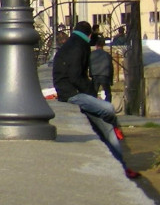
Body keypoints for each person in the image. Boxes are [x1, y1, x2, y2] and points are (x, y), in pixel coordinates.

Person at [52, 20, 136, 178]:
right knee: (108, 109)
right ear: (89, 35)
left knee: (106, 128)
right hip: (72, 95)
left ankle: (121, 167)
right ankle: (117, 135)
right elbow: (76, 76)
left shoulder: (71, 44)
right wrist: (92, 93)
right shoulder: (79, 46)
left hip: (69, 93)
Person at [89, 36, 114, 107]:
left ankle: (93, 107)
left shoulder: (92, 54)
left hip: (95, 75)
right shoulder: (107, 55)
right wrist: (111, 79)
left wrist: (91, 74)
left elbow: (89, 65)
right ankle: (108, 106)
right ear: (103, 46)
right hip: (105, 75)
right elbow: (111, 67)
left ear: (96, 46)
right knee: (108, 93)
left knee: (93, 93)